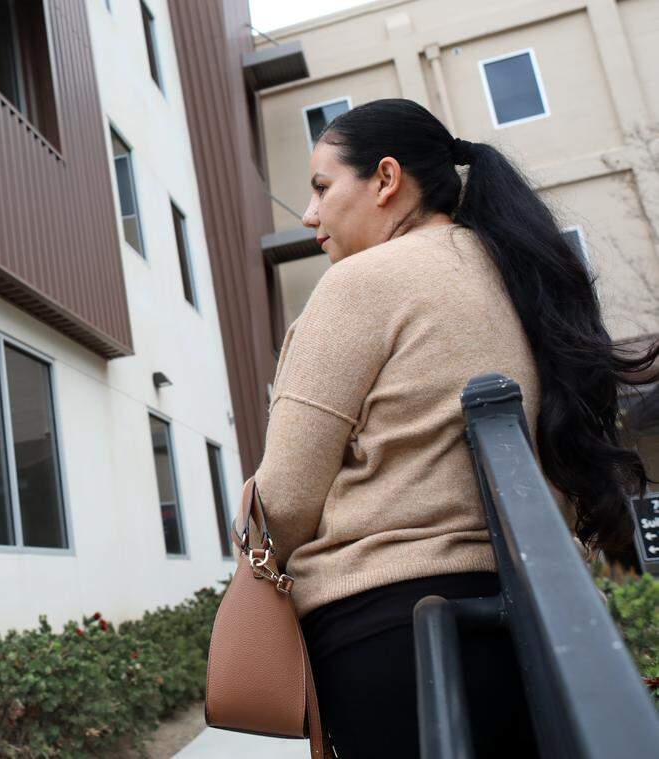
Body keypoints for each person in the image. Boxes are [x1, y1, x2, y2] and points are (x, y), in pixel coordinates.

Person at [252, 98, 659, 758]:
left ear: (386, 179)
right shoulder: (514, 272)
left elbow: (287, 497)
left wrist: (250, 534)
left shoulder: (360, 282)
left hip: (391, 635)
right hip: (528, 628)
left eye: (323, 186)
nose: (309, 215)